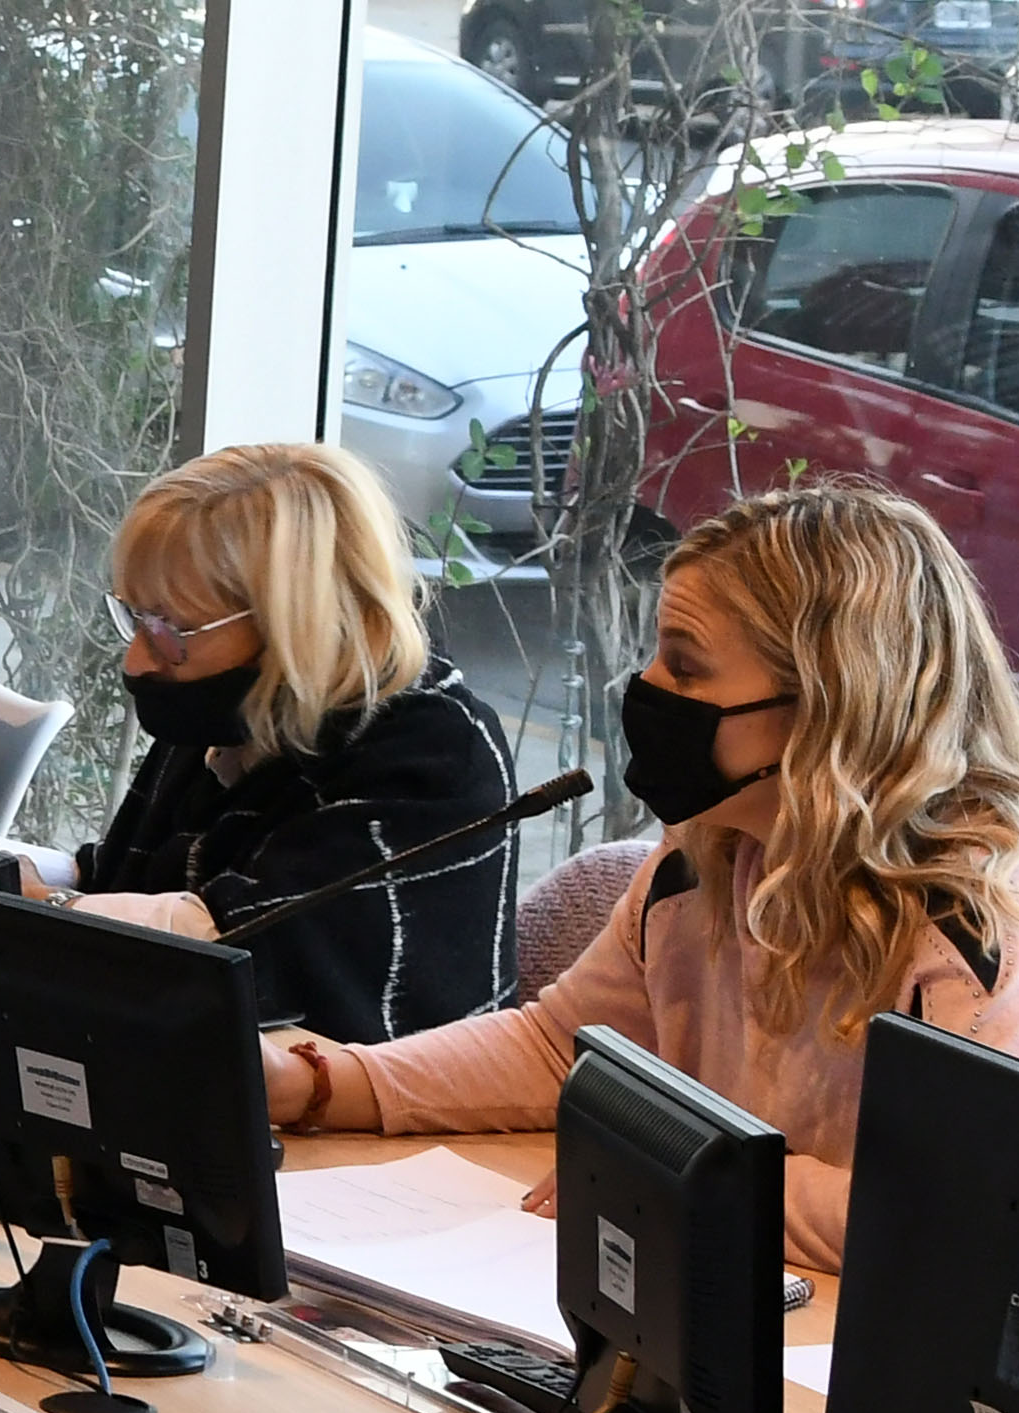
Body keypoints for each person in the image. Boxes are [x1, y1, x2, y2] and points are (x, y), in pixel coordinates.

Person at [263, 479, 1019, 1270]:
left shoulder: (971, 929)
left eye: (686, 667)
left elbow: (944, 1217)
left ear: (830, 706)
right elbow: (560, 1050)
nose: (649, 685)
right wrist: (316, 1083)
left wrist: (689, 1183)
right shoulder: (707, 856)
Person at [62, 441, 518, 1040]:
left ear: (295, 624)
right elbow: (125, 877)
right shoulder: (233, 708)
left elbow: (249, 950)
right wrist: (7, 877)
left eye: (169, 629)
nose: (138, 660)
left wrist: (46, 911)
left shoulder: (436, 760)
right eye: (135, 619)